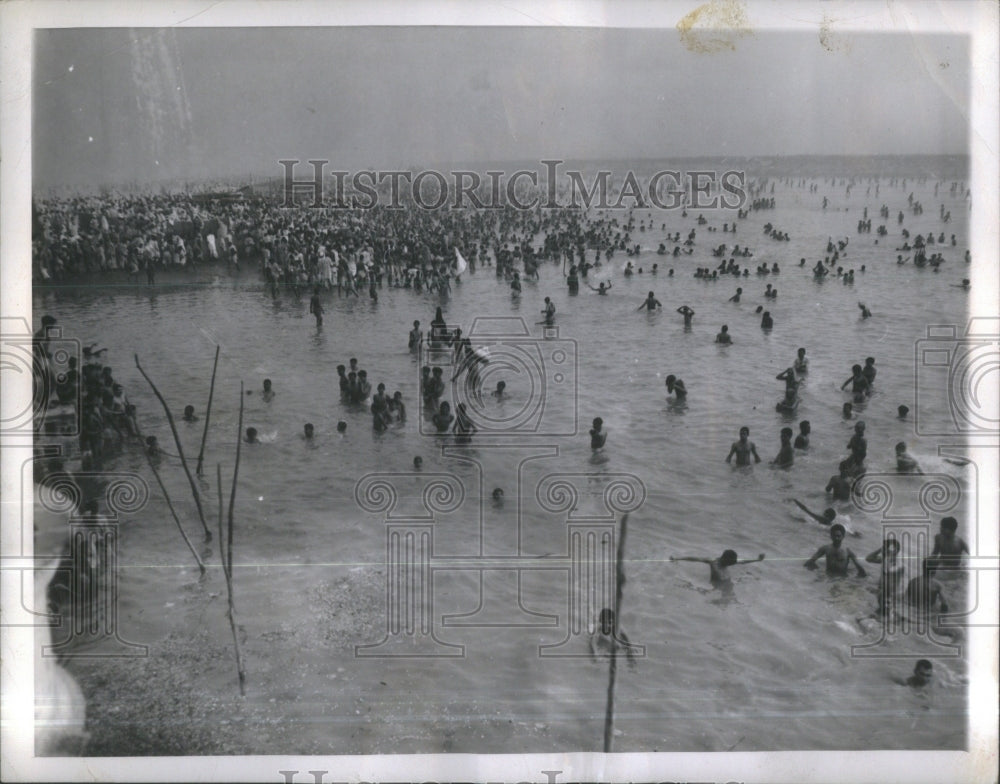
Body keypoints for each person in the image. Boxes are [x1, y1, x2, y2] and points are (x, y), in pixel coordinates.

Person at [669, 550, 764, 595]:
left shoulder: (729, 562)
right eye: (732, 561)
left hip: (727, 584)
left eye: (733, 561)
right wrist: (677, 558)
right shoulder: (713, 562)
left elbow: (743, 561)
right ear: (725, 559)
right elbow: (695, 559)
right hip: (716, 587)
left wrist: (757, 559)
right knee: (700, 591)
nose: (733, 563)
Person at [865, 538, 905, 618]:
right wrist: (880, 549)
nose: (886, 551)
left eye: (888, 549)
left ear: (896, 551)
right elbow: (868, 558)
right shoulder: (886, 559)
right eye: (885, 549)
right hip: (882, 591)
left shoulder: (899, 565)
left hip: (889, 594)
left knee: (881, 614)